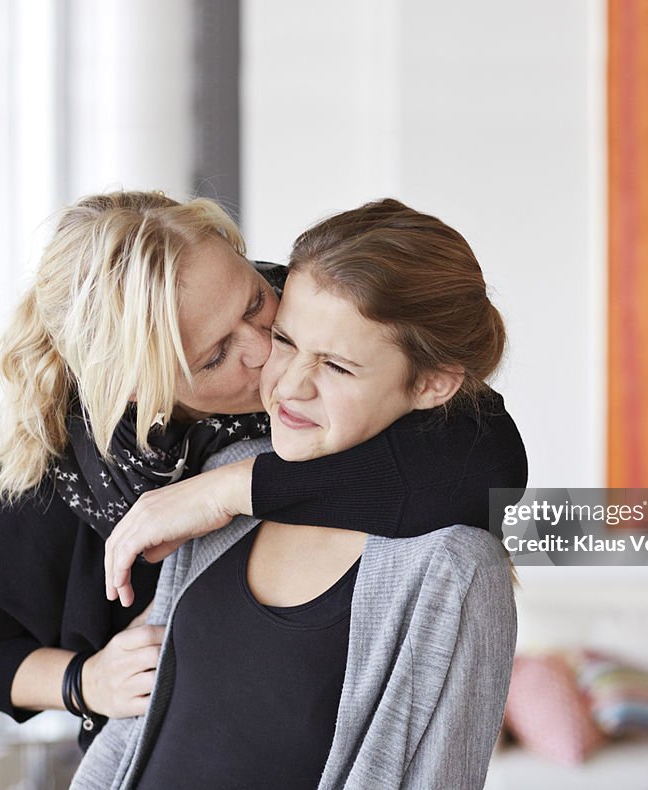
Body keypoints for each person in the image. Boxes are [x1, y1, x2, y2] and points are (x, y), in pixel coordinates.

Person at [0, 192, 527, 750]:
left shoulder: (314, 321)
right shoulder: (60, 479)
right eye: (216, 356)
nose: (266, 355)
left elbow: (490, 462)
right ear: (136, 389)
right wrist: (82, 682)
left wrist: (231, 488)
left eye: (257, 303)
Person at [72, 198, 517, 790]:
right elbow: (138, 728)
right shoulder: (222, 479)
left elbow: (442, 777)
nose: (287, 382)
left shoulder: (457, 569)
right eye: (285, 339)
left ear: (432, 384)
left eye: (336, 366)